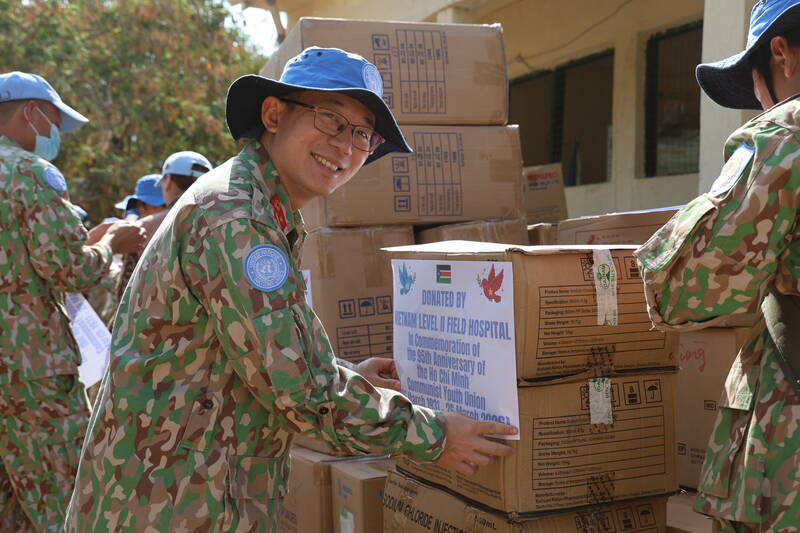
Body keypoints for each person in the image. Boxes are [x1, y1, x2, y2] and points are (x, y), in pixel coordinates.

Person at [65, 47, 517, 531]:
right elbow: (302, 391)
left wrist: (346, 372)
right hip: (165, 505)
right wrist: (437, 436)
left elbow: (262, 351)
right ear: (274, 114)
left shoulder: (263, 207)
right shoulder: (235, 215)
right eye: (331, 119)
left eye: (363, 133)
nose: (345, 145)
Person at [635, 2, 800, 531]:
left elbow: (685, 294)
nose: (756, 100)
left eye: (754, 83)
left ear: (781, 54)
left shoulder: (785, 136)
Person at [0, 71, 143, 532]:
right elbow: (66, 268)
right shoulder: (29, 172)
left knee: (15, 504)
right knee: (72, 500)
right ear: (30, 112)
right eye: (54, 122)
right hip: (33, 371)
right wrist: (111, 245)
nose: (55, 134)